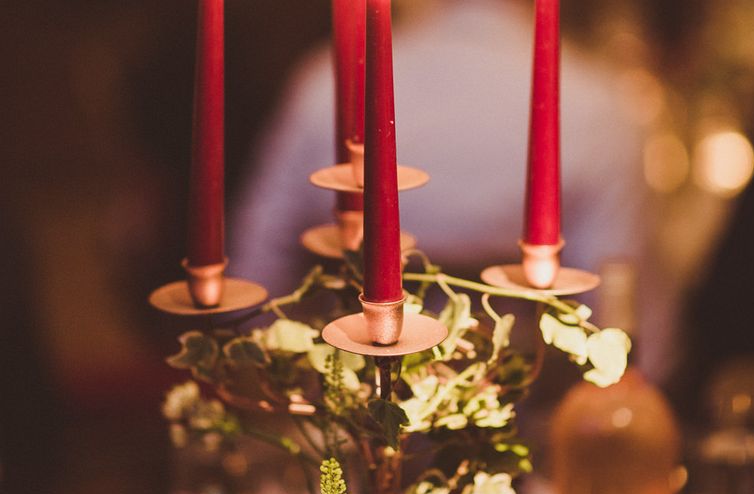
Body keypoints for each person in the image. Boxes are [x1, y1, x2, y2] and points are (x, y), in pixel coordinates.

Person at [229, 0, 663, 374]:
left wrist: (288, 377)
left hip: (349, 398)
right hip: (518, 405)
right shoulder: (596, 103)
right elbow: (622, 302)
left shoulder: (327, 80)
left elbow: (257, 265)